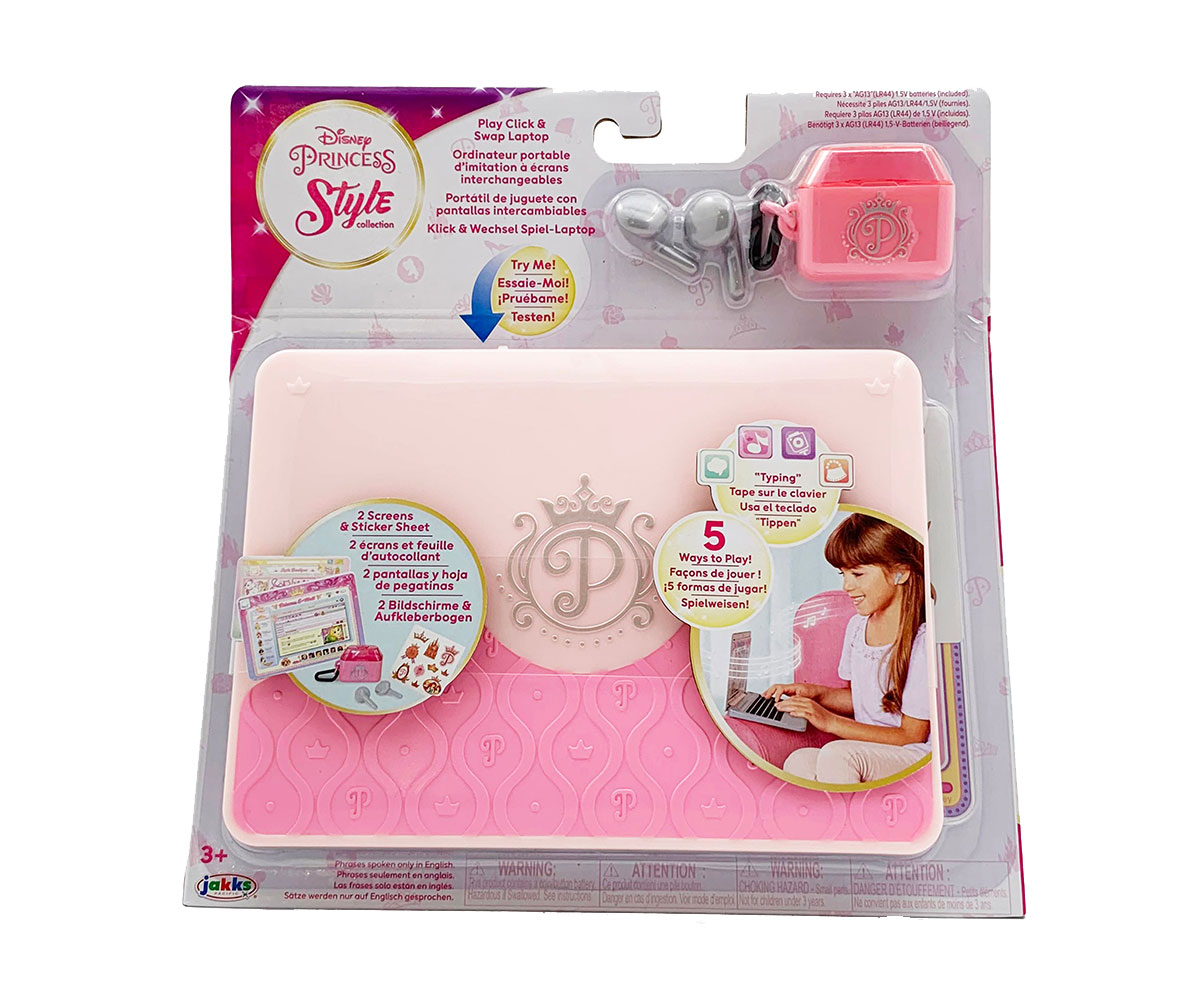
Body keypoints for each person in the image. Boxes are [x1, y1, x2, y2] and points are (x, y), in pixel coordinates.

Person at [764, 514, 931, 784]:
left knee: (838, 755)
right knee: (800, 760)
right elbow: (864, 699)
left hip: (913, 753)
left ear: (900, 572)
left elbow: (912, 735)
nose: (846, 586)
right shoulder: (857, 627)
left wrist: (829, 721)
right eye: (843, 574)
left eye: (857, 574)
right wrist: (815, 694)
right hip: (871, 750)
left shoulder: (922, 643)